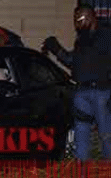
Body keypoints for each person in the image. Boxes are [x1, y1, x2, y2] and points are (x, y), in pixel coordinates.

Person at [42, 4, 111, 160]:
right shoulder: (82, 38)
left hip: (101, 92)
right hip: (82, 92)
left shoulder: (105, 36)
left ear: (92, 18)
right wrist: (55, 48)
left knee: (106, 135)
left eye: (80, 20)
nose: (76, 24)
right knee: (81, 135)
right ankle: (81, 171)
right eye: (75, 21)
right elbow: (74, 61)